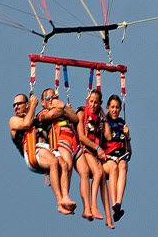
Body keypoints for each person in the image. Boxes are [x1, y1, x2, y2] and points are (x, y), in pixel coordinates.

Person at [9, 92, 75, 215]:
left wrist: (63, 107)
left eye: (19, 104)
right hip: (33, 152)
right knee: (54, 162)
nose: (16, 107)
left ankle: (66, 196)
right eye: (14, 105)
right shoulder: (14, 121)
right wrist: (33, 106)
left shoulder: (37, 119)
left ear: (26, 105)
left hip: (46, 149)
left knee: (64, 165)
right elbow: (26, 124)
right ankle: (60, 202)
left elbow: (58, 115)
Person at [75, 88, 113, 228]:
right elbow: (81, 136)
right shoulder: (81, 113)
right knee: (97, 172)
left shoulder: (100, 118)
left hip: (94, 152)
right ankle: (92, 206)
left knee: (102, 176)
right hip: (84, 150)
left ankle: (108, 218)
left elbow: (108, 137)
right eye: (91, 101)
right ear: (87, 100)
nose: (93, 105)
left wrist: (104, 117)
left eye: (96, 103)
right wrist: (98, 148)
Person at [38, 87, 78, 212]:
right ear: (43, 102)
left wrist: (64, 107)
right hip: (48, 146)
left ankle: (64, 198)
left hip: (63, 143)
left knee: (66, 165)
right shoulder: (41, 113)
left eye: (54, 98)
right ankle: (60, 199)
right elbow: (51, 114)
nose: (52, 101)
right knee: (65, 163)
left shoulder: (61, 109)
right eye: (49, 98)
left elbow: (75, 118)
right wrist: (62, 107)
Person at [103, 94, 131, 222]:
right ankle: (114, 203)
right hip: (107, 158)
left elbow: (128, 151)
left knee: (123, 165)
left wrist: (127, 136)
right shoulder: (103, 121)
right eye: (112, 107)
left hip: (120, 156)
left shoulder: (122, 123)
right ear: (108, 107)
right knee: (114, 167)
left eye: (117, 107)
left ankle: (118, 203)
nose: (115, 110)